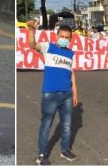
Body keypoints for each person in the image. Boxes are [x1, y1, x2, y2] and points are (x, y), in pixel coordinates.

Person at [26, 19, 79, 165]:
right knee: (46, 126)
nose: (64, 39)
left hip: (67, 94)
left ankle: (65, 150)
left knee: (67, 125)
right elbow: (31, 45)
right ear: (57, 37)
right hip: (50, 94)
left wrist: (75, 93)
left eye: (67, 38)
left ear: (70, 39)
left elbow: (72, 73)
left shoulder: (71, 54)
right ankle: (42, 155)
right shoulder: (47, 47)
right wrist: (31, 29)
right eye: (61, 36)